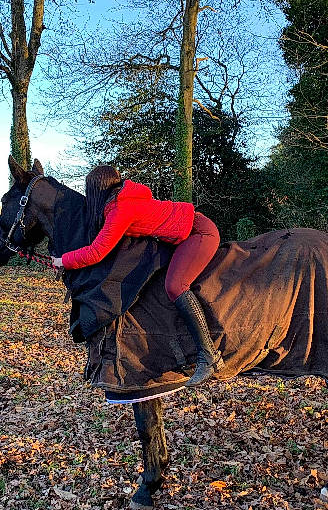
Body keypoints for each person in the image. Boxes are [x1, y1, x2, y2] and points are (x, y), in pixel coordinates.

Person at [52, 164, 224, 386]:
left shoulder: (120, 209)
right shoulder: (119, 203)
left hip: (199, 232)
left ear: (96, 190)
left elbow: (96, 251)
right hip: (181, 235)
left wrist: (63, 260)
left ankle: (208, 357)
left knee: (176, 286)